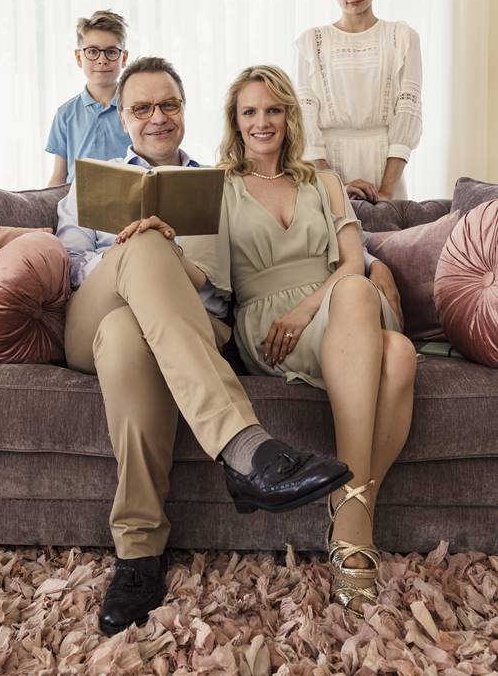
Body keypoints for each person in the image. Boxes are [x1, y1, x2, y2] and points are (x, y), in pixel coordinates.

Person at [56, 56, 351, 635]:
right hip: (94, 317)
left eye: (169, 104)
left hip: (183, 331)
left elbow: (230, 282)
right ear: (122, 116)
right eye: (142, 107)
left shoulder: (222, 184)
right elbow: (70, 264)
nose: (157, 117)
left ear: (185, 110)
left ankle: (138, 555)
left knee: (130, 337)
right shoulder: (91, 182)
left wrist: (174, 259)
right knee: (141, 251)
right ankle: (245, 448)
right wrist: (135, 254)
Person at [160, 65, 416, 614]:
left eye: (273, 110)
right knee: (384, 338)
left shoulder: (324, 183)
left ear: (288, 117)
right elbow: (203, 276)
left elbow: (352, 262)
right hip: (269, 325)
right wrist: (165, 245)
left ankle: (350, 516)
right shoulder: (217, 187)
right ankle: (353, 522)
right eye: (250, 111)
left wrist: (307, 309)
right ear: (235, 120)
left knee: (391, 341)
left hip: (335, 304)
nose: (262, 122)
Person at [294, 0, 422, 201]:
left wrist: (386, 191)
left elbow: (407, 116)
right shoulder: (310, 43)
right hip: (327, 176)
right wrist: (336, 190)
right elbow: (305, 123)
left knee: (390, 229)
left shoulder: (403, 38)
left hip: (388, 171)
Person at [46, 9, 131, 186]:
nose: (102, 60)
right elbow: (58, 177)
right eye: (92, 52)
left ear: (123, 58)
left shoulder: (136, 109)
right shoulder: (65, 114)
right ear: (79, 57)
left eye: (111, 52)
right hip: (77, 201)